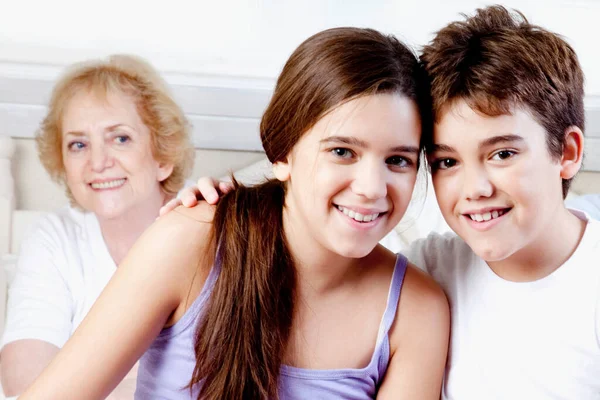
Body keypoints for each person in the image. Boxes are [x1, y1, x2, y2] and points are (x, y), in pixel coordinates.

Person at [175, 6, 600, 399]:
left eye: (503, 154)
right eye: (447, 161)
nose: (476, 189)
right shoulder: (429, 272)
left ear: (567, 153)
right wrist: (232, 207)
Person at [19, 27, 450, 400]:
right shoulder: (191, 239)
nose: (372, 188)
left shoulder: (417, 312)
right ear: (282, 154)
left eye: (398, 160)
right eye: (342, 151)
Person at [0, 54, 194, 398]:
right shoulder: (55, 238)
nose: (98, 162)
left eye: (120, 138)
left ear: (162, 156)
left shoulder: (204, 229)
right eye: (79, 144)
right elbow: (24, 384)